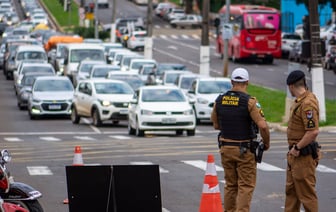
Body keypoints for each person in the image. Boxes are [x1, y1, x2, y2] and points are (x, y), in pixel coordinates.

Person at [211, 67, 270, 212]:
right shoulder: (250, 102)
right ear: (247, 82)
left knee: (230, 184)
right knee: (245, 185)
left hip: (225, 147)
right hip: (244, 150)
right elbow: (262, 126)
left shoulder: (219, 100)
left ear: (232, 82)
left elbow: (216, 124)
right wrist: (266, 143)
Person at [285, 70, 321, 212]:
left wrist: (297, 148)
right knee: (291, 193)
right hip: (294, 155)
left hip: (302, 156)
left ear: (291, 86)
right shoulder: (300, 101)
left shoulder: (307, 103)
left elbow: (313, 131)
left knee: (307, 195)